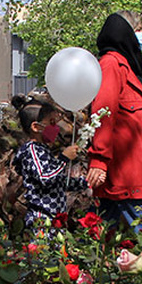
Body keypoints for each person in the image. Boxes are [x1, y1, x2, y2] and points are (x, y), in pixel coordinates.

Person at [85, 11, 142, 226]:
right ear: (127, 33)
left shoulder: (129, 69)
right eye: (137, 30)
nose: (141, 36)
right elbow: (103, 113)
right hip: (127, 177)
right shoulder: (112, 65)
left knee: (98, 237)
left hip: (133, 175)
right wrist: (99, 160)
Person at [11, 95, 87, 228]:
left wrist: (85, 183)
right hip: (41, 219)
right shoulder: (32, 151)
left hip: (55, 219)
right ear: (36, 127)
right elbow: (46, 177)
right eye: (51, 123)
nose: (56, 128)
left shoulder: (43, 150)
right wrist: (64, 158)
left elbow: (59, 182)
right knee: (42, 249)